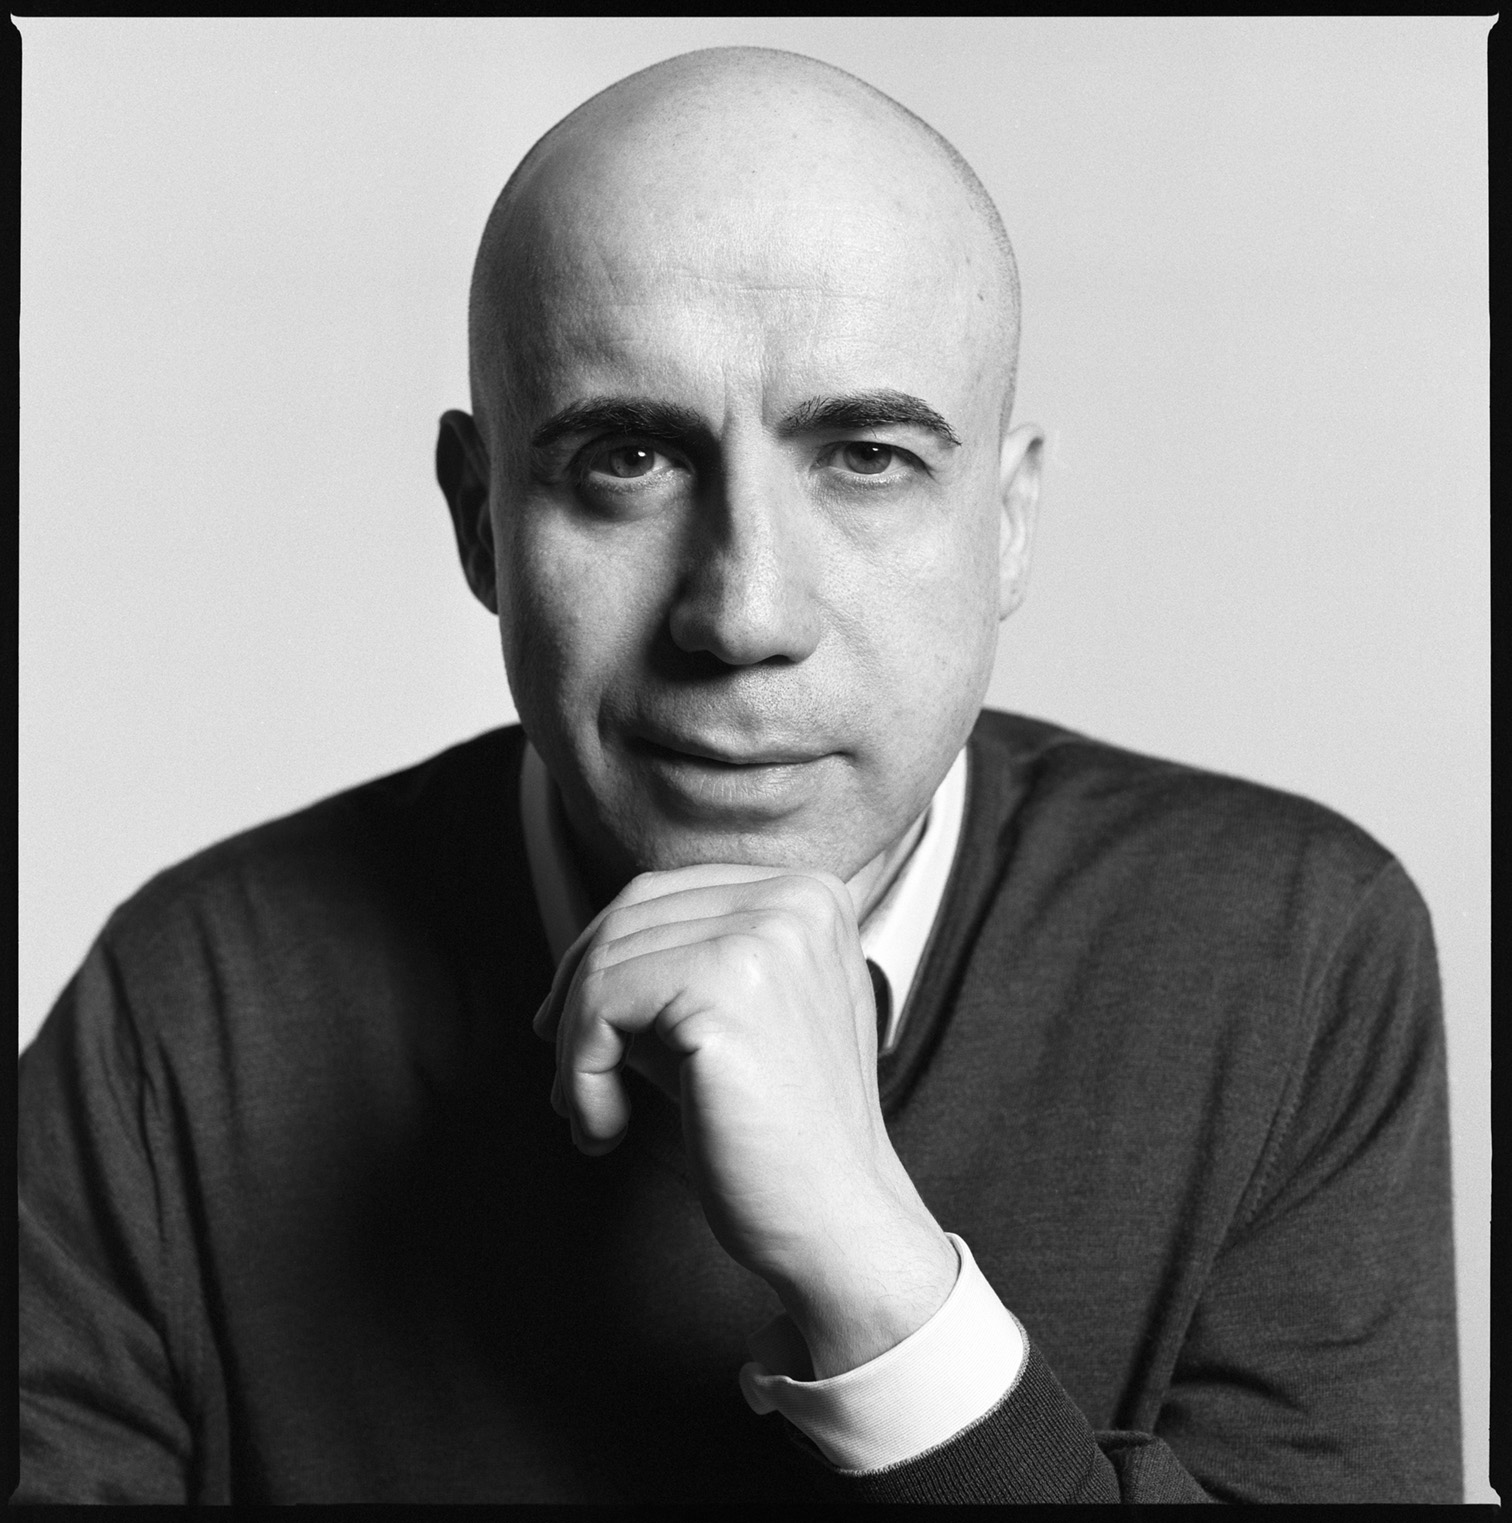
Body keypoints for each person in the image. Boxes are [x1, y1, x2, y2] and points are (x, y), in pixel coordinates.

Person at [16, 47, 1461, 1504]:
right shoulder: (187, 1011)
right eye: (628, 458)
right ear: (480, 521)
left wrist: (887, 1297)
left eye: (868, 458)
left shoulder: (1290, 958)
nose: (745, 615)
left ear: (1008, 524)